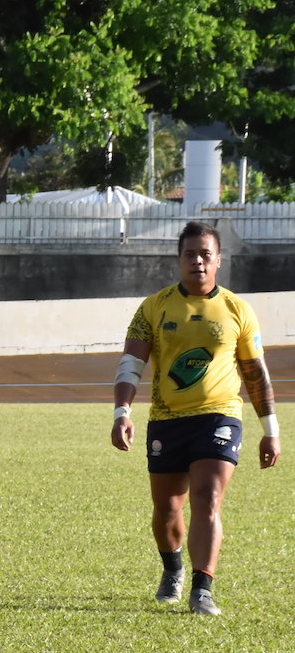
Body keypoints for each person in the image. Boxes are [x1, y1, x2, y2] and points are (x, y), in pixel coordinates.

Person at [111, 221, 278, 616]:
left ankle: (203, 588)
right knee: (167, 507)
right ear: (179, 259)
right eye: (191, 254)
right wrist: (122, 412)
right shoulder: (155, 306)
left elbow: (255, 373)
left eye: (206, 254)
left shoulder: (238, 309)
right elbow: (131, 363)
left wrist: (270, 430)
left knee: (208, 496)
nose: (198, 261)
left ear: (218, 260)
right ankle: (173, 569)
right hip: (168, 419)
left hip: (219, 415)